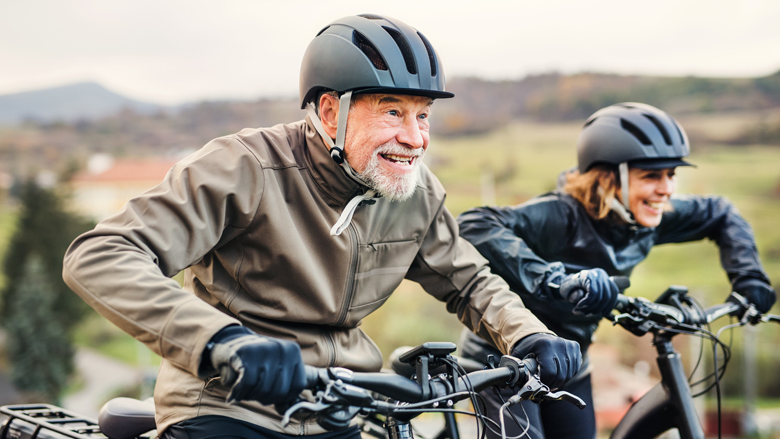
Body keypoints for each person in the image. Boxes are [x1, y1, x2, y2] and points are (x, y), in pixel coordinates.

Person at [62, 14, 581, 439]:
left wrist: (530, 336)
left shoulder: (414, 191)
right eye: (393, 111)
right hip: (229, 405)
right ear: (331, 110)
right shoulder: (244, 168)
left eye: (422, 116)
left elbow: (470, 282)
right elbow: (101, 255)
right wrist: (223, 341)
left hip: (341, 406)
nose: (415, 138)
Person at [456, 102, 776, 439]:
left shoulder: (646, 217)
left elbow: (720, 212)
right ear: (609, 177)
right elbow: (474, 224)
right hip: (506, 359)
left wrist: (749, 277)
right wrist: (557, 280)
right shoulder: (561, 216)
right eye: (652, 176)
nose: (667, 188)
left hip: (569, 359)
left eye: (671, 174)